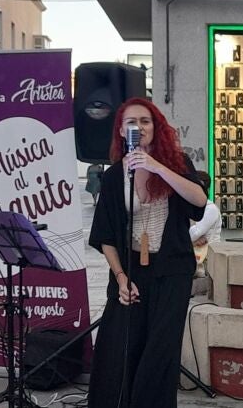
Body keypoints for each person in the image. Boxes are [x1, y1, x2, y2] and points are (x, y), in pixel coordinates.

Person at [87, 97, 207, 408]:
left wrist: (156, 167)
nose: (138, 127)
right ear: (121, 130)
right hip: (131, 270)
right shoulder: (115, 176)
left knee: (159, 353)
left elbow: (199, 201)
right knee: (119, 349)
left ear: (156, 127)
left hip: (171, 271)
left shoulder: (177, 163)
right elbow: (105, 234)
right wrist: (120, 277)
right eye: (131, 122)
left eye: (145, 121)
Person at [189, 171, 221, 276]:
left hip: (206, 260)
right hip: (195, 256)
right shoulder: (193, 206)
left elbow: (195, 233)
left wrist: (186, 237)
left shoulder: (210, 209)